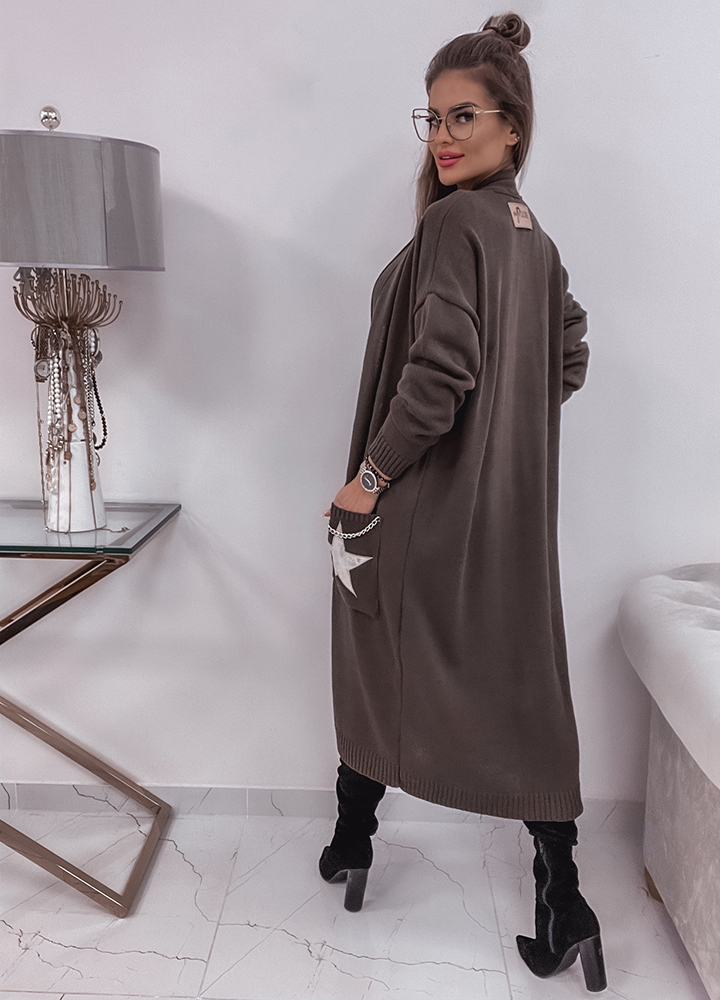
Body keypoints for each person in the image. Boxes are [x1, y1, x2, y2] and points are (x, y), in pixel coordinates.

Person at [319, 12, 607, 993]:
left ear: (512, 126)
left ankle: (352, 841)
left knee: (370, 650)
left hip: (422, 503)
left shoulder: (454, 225)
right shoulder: (534, 237)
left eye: (464, 117)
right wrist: (507, 432)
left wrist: (369, 479)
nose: (443, 137)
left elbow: (440, 375)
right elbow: (567, 354)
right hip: (509, 518)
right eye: (433, 117)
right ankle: (564, 896)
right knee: (524, 678)